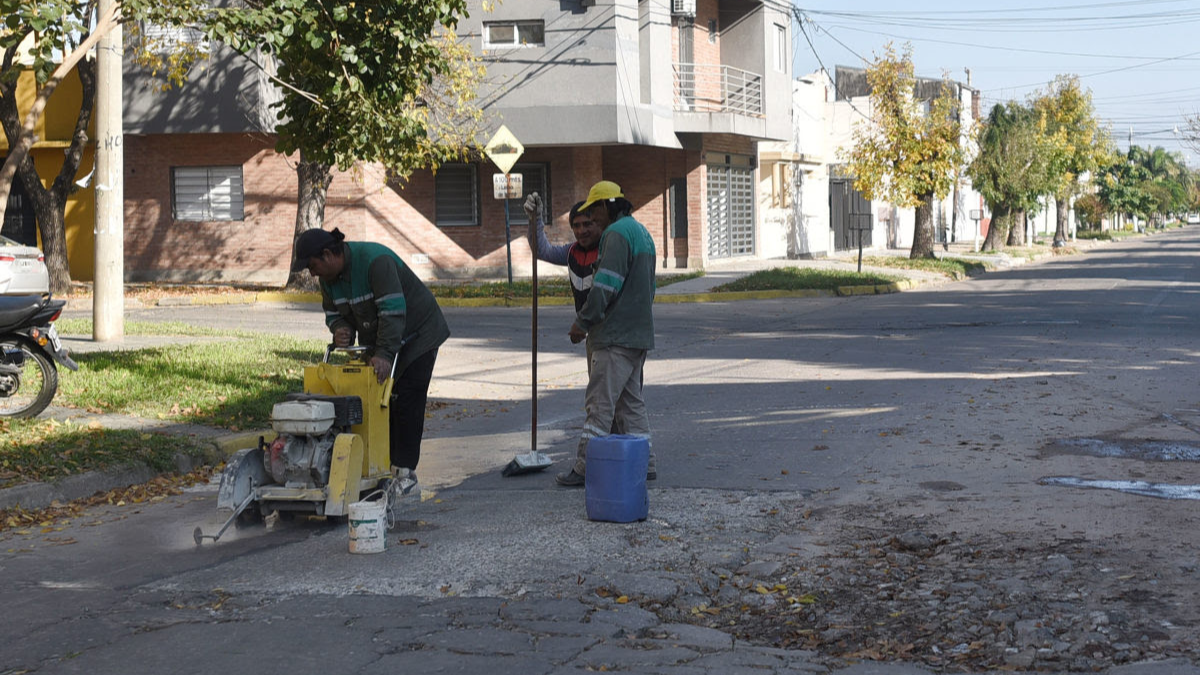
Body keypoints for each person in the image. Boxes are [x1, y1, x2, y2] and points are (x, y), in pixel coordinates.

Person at [291, 227, 450, 504]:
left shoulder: (376, 262)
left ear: (328, 254)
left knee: (405, 399)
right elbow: (333, 313)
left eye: (313, 266)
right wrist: (339, 329)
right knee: (374, 403)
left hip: (418, 333)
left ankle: (404, 474)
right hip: (380, 336)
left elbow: (393, 312)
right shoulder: (328, 280)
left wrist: (385, 354)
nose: (312, 274)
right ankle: (378, 470)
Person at [556, 181, 657, 487]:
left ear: (605, 206)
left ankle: (585, 467)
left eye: (594, 210)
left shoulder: (615, 234)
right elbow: (648, 287)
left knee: (599, 405)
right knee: (630, 404)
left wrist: (583, 322)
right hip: (638, 335)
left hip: (614, 336)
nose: (593, 218)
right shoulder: (642, 232)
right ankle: (646, 463)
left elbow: (604, 285)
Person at [524, 194, 602, 314]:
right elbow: (542, 251)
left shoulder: (608, 250)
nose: (581, 231)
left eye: (587, 224)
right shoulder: (571, 251)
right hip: (584, 323)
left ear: (599, 225)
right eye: (576, 226)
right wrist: (535, 219)